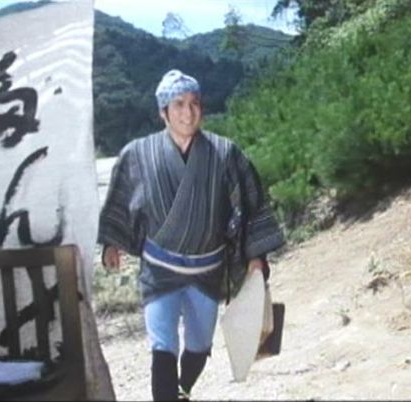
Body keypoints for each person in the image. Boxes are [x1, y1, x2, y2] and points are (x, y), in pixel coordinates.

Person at [98, 69, 285, 401]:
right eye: (179, 104)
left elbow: (251, 204)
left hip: (207, 270)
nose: (188, 112)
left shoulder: (225, 154)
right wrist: (113, 241)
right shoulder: (137, 154)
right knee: (163, 344)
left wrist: (256, 258)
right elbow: (120, 199)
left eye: (195, 103)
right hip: (159, 269)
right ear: (163, 112)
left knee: (199, 344)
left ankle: (183, 388)